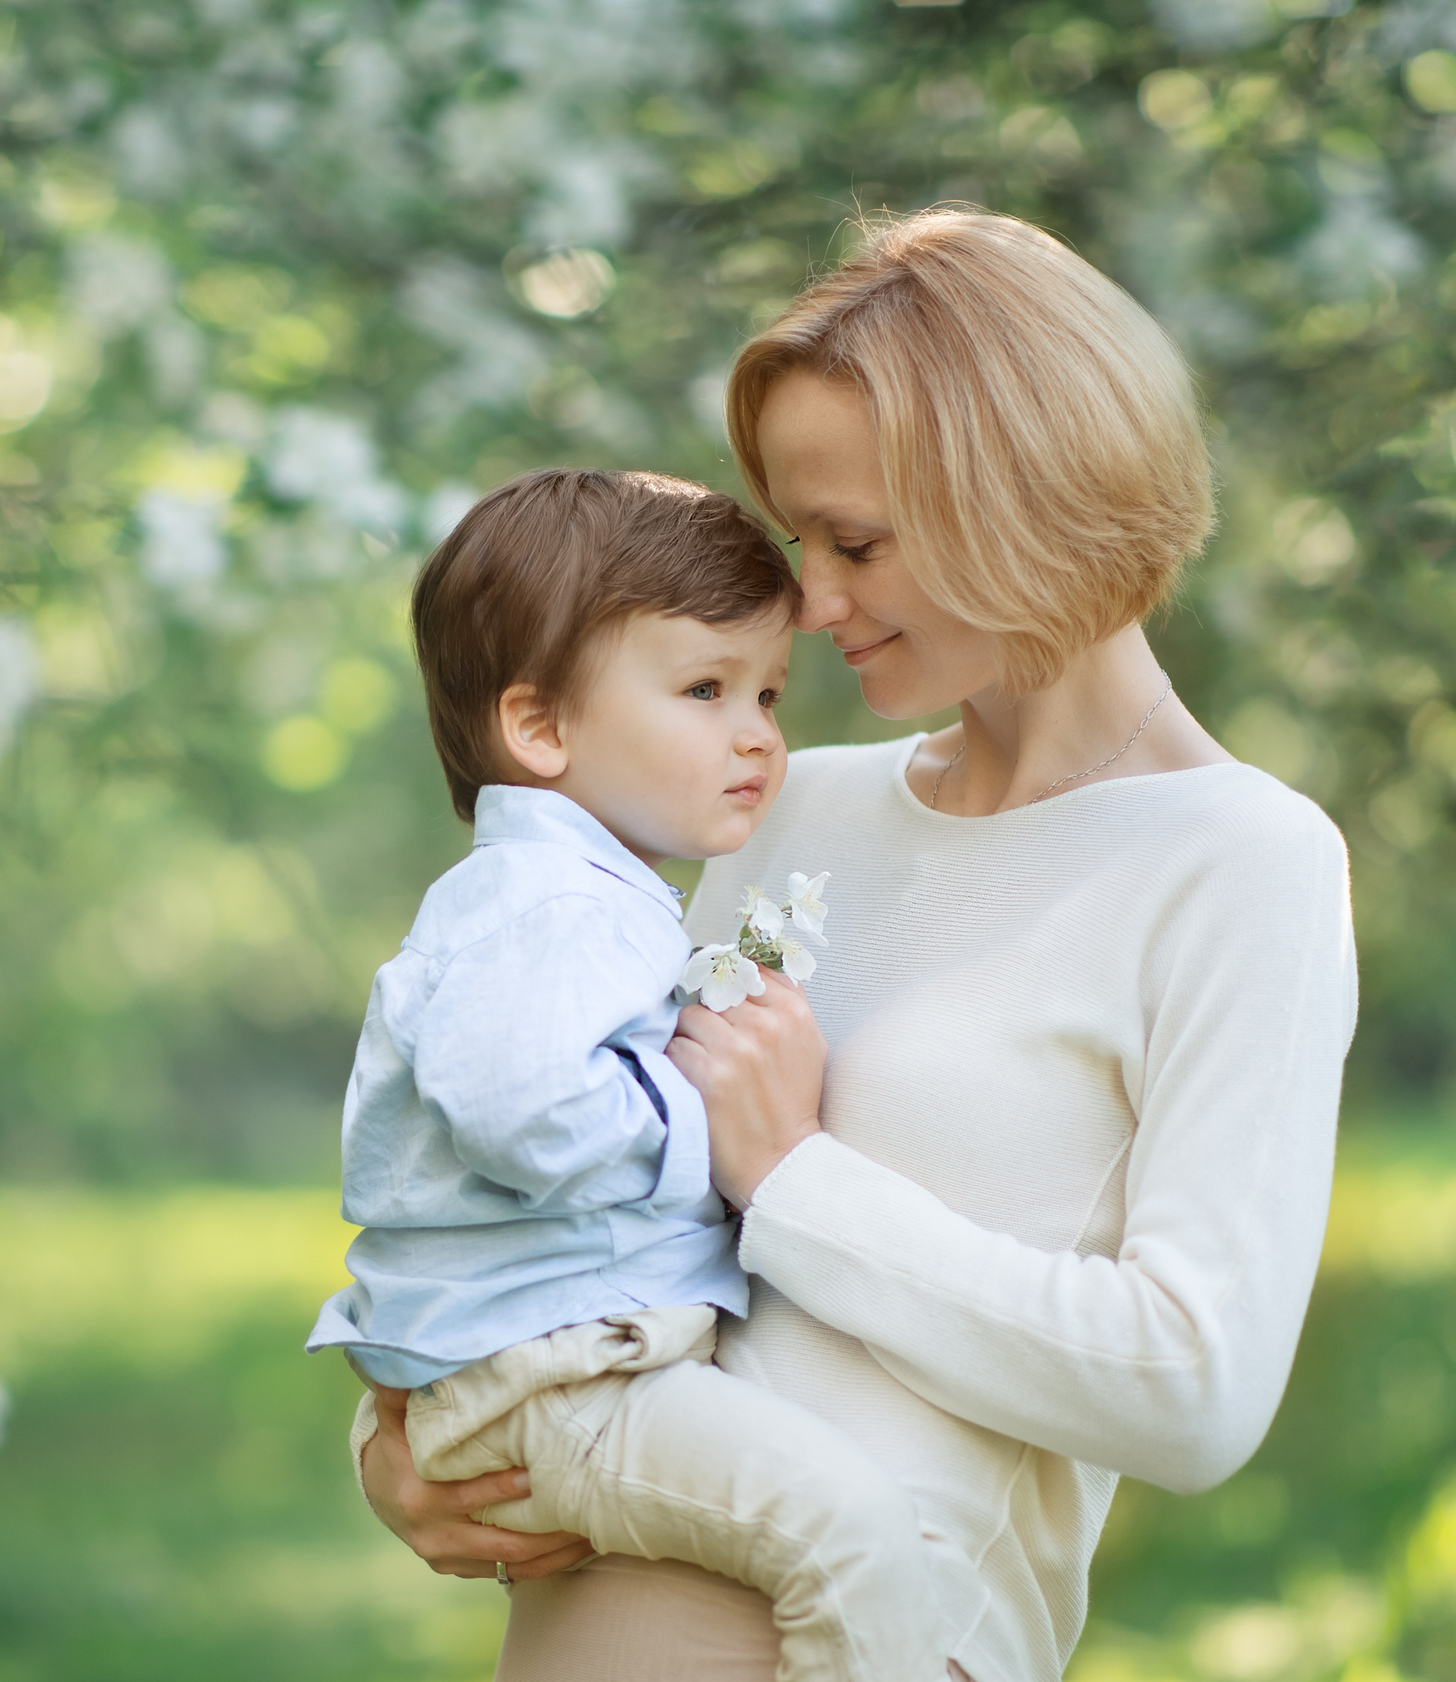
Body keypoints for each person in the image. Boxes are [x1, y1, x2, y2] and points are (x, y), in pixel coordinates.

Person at [356, 210, 1360, 1682]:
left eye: (857, 543)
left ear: (1021, 500)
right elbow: (556, 1151)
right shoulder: (778, 811)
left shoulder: (1239, 860)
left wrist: (796, 1180)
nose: (811, 606)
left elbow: (1192, 1386)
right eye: (797, 541)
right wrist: (405, 1432)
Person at [308, 466, 986, 1681]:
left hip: (565, 1365)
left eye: (770, 693)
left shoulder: (587, 894)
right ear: (541, 727)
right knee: (855, 1540)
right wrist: (714, 1116)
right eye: (705, 688)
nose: (758, 735)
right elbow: (522, 1110)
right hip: (560, 1384)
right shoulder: (544, 906)